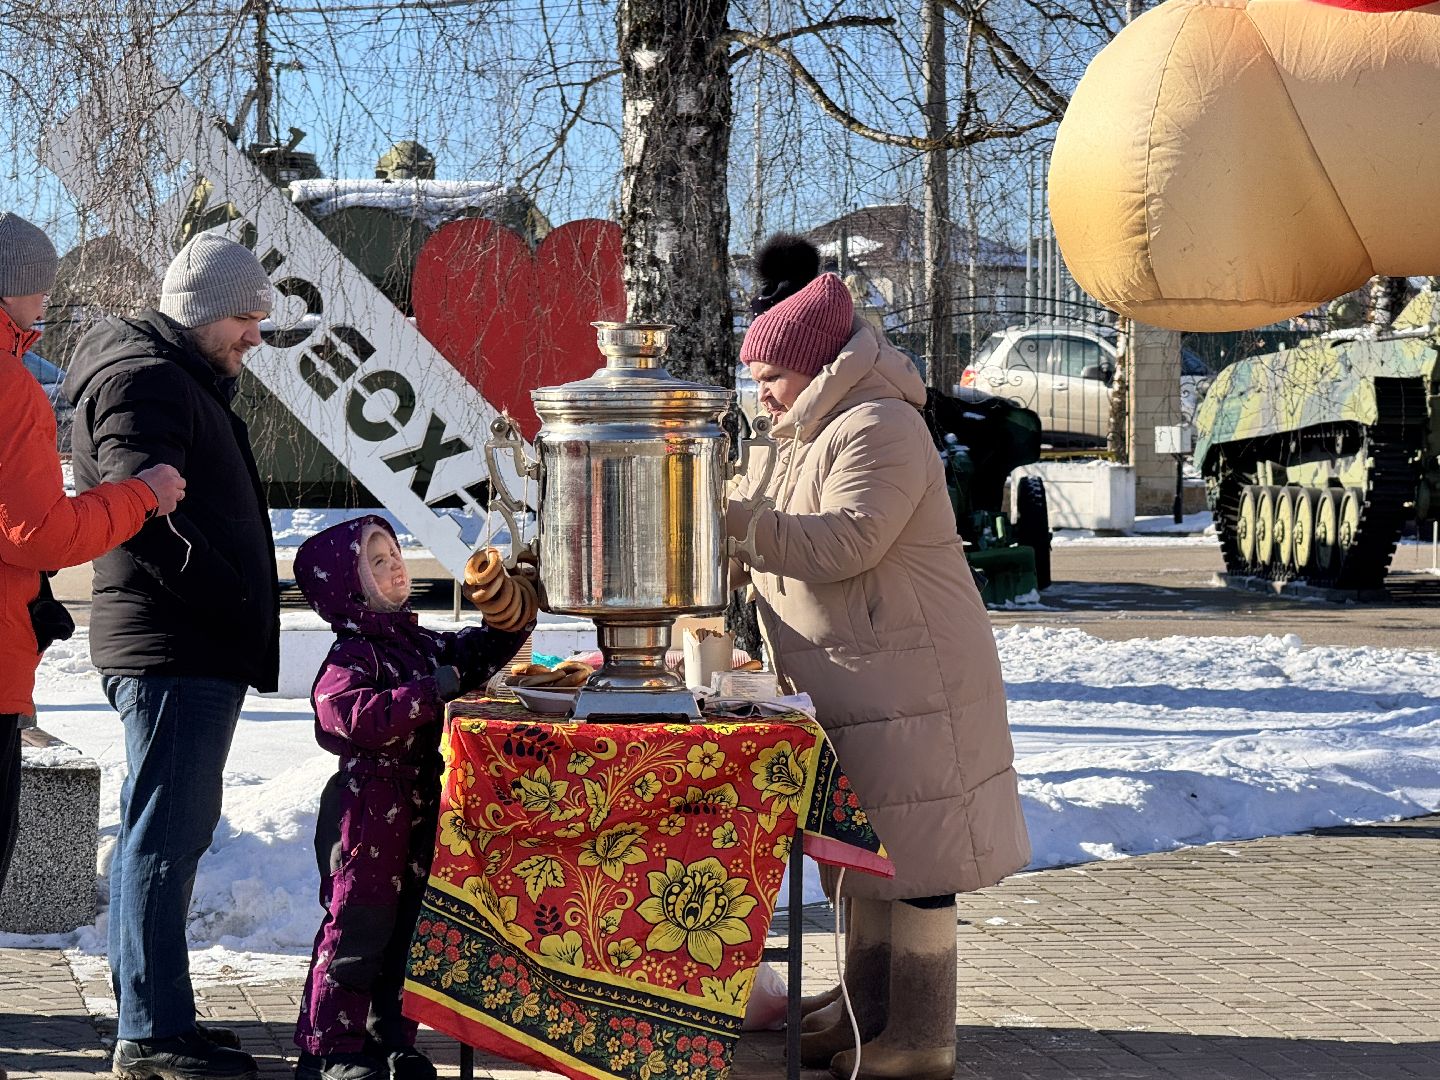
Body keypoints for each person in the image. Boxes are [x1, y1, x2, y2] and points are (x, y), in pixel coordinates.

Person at [725, 245, 1031, 1080]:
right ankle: (866, 1013)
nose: (761, 391)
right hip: (860, 677)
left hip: (915, 676)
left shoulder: (879, 426)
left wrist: (732, 523)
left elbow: (845, 543)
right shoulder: (804, 429)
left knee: (920, 856)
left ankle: (921, 1037)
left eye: (771, 375)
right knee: (871, 850)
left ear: (816, 366)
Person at [63, 233, 281, 1080]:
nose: (254, 336)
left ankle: (155, 1014)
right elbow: (142, 516)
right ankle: (152, 1033)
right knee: (165, 838)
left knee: (159, 835)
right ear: (197, 311)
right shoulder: (146, 380)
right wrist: (229, 593)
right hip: (175, 647)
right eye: (243, 318)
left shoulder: (173, 373)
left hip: (182, 643)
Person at [290, 517, 529, 1080]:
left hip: (419, 802)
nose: (395, 565)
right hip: (366, 810)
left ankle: (390, 1040)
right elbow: (348, 719)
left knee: (409, 930)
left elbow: (475, 654)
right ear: (348, 587)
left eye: (395, 553)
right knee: (358, 926)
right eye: (377, 562)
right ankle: (328, 1049)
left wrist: (513, 612)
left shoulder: (417, 641)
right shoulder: (351, 656)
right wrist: (429, 690)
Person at [0, 212, 185, 898]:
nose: (48, 298)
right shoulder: (10, 386)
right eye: (41, 284)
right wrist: (143, 494)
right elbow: (39, 532)